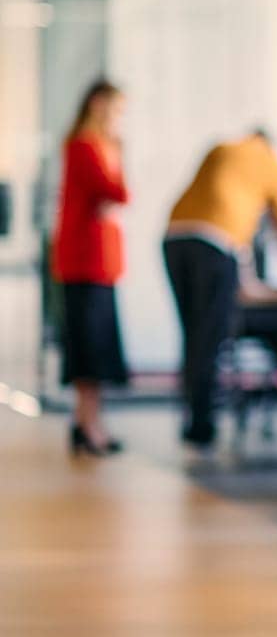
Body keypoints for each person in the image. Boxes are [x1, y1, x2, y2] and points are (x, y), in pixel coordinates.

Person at [163, 128, 277, 448]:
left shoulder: (222, 148)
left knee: (193, 333)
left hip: (174, 236)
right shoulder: (274, 165)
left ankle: (192, 416)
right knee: (210, 335)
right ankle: (201, 425)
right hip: (214, 243)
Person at [51, 79, 131, 457]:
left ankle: (89, 422)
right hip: (85, 261)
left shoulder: (95, 146)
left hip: (98, 262)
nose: (118, 120)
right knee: (88, 347)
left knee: (96, 346)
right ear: (98, 104)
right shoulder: (84, 146)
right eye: (115, 110)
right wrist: (116, 157)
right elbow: (117, 192)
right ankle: (86, 423)